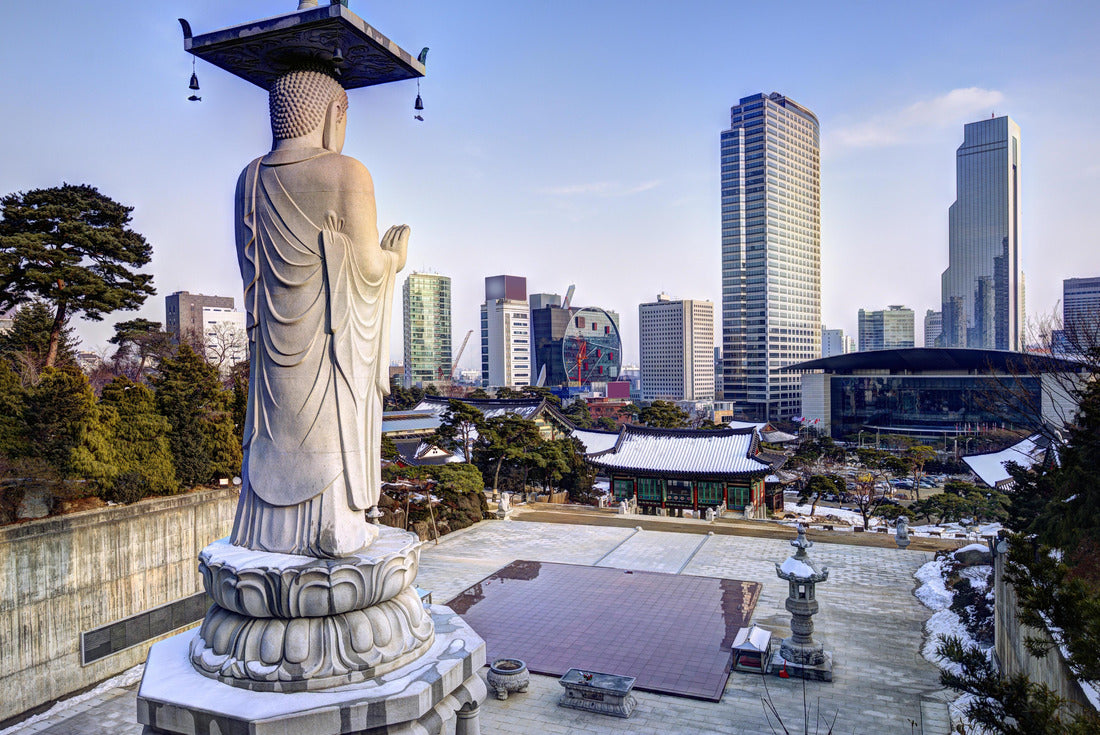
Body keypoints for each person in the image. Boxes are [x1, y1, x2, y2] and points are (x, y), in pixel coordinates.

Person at [229, 66, 408, 558]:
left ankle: (264, 530)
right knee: (332, 432)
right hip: (327, 358)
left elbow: (252, 273)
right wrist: (395, 261)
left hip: (271, 368)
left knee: (275, 437)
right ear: (334, 115)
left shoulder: (250, 179)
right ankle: (335, 528)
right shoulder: (346, 172)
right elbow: (369, 265)